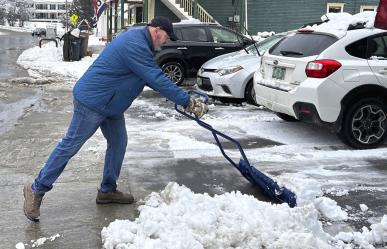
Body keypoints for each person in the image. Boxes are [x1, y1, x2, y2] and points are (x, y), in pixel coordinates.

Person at [23, 16, 208, 222]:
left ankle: (107, 191)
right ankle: (36, 189)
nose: (167, 41)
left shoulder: (141, 41)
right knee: (70, 146)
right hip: (93, 102)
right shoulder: (135, 43)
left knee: (119, 143)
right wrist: (187, 102)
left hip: (111, 105)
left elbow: (148, 76)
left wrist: (186, 97)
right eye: (166, 36)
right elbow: (155, 78)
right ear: (156, 30)